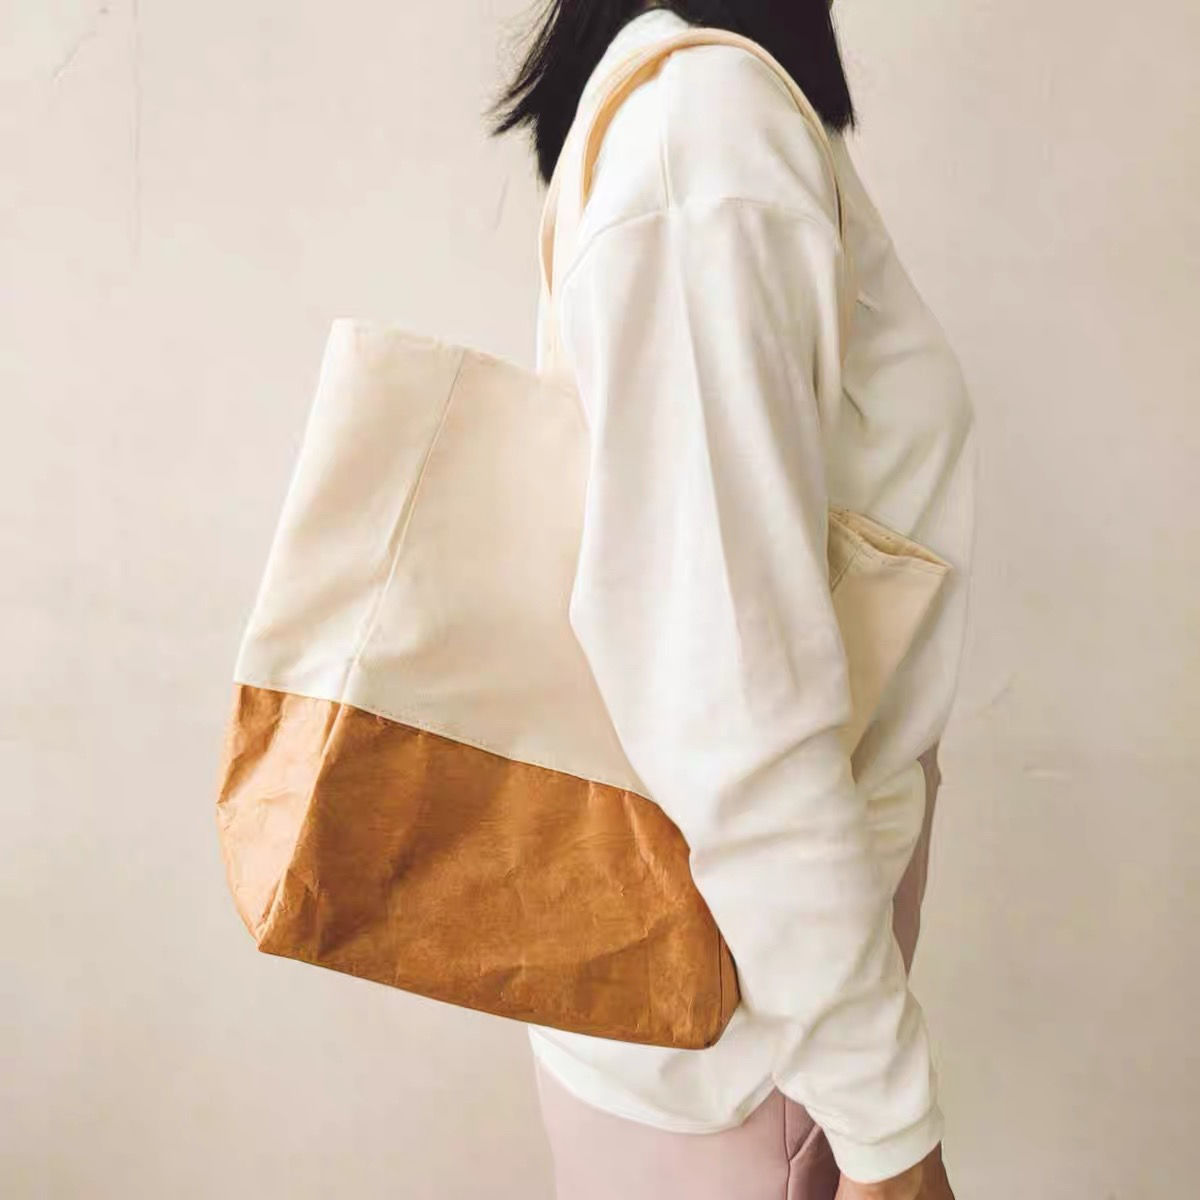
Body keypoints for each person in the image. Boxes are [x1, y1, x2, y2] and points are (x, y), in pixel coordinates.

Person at [488, 2, 977, 1197]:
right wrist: (890, 1133)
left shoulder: (698, 119)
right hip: (753, 1062)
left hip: (743, 1032)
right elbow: (731, 703)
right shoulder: (702, 138)